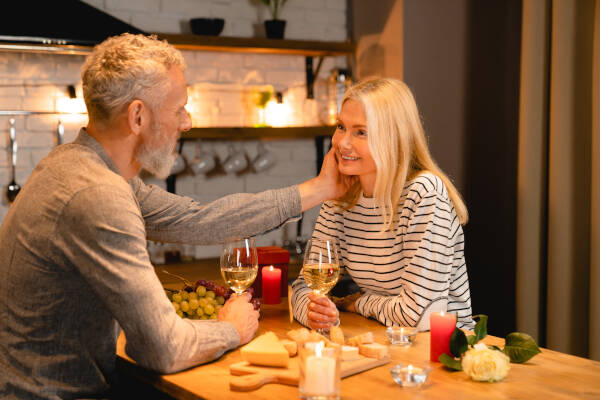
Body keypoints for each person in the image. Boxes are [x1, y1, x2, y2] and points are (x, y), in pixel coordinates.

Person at [0, 33, 352, 399]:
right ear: (138, 116)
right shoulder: (97, 195)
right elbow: (163, 348)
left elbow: (203, 220)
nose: (187, 122)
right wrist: (230, 328)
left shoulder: (80, 167)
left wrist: (320, 189)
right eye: (179, 108)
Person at [291, 77, 475, 332]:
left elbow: (421, 317)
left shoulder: (424, 194)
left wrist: (360, 303)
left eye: (361, 132)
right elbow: (303, 288)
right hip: (384, 341)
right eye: (341, 126)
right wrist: (314, 314)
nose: (342, 143)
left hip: (444, 354)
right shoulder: (341, 199)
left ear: (393, 138)